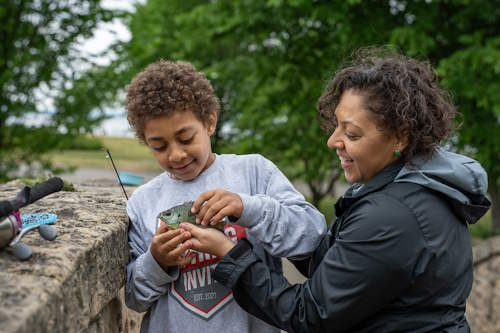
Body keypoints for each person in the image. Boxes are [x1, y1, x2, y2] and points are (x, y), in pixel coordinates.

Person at [180, 49, 492, 332]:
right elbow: (339, 264)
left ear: (400, 138)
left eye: (351, 133)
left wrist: (229, 254)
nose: (333, 141)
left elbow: (310, 315)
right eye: (337, 126)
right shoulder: (414, 188)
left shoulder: (392, 216)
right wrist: (251, 211)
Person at [124, 59, 326, 333]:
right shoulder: (142, 202)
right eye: (158, 146)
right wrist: (157, 261)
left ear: (210, 122)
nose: (176, 155)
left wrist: (248, 208)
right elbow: (135, 298)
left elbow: (310, 234)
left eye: (186, 138)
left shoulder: (255, 172)